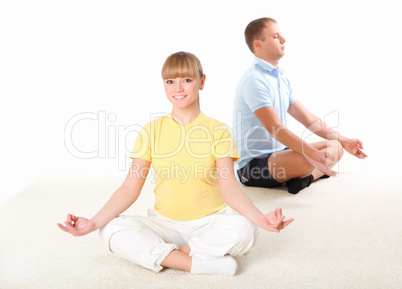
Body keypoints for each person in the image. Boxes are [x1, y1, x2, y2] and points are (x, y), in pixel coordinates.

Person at [57, 51, 293, 276]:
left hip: (209, 222)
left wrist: (260, 218)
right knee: (109, 229)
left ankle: (163, 257)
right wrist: (93, 222)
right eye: (170, 81)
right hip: (164, 225)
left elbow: (229, 186)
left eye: (187, 80)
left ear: (201, 81)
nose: (178, 88)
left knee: (246, 227)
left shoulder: (218, 130)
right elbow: (130, 187)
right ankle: (199, 264)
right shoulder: (151, 130)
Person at [232, 18, 367, 194]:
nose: (283, 39)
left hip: (280, 153)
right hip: (253, 165)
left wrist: (345, 140)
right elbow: (276, 129)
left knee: (337, 146)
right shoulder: (254, 80)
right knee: (307, 159)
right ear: (258, 44)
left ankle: (306, 179)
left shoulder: (280, 77)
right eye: (275, 36)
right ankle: (309, 173)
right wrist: (311, 153)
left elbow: (309, 119)